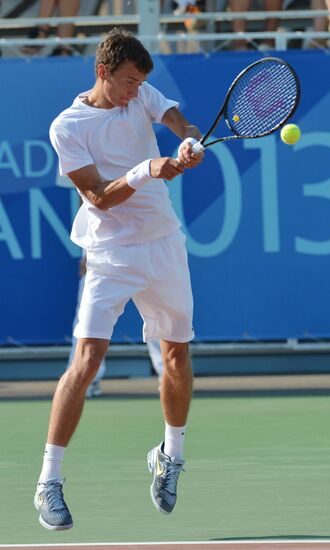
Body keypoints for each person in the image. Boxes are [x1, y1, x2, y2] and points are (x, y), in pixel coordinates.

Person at [34, 28, 203, 531]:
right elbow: (100, 198)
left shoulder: (142, 93)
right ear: (103, 72)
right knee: (86, 361)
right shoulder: (67, 126)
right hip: (109, 253)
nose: (134, 93)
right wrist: (146, 169)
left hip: (164, 244)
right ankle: (49, 479)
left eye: (140, 84)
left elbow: (175, 118)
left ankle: (170, 456)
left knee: (176, 352)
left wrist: (188, 139)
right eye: (127, 82)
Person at [67, 254, 164, 399]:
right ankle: (84, 379)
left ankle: (170, 376)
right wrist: (89, 252)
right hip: (104, 251)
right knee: (88, 321)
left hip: (151, 248)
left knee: (160, 315)